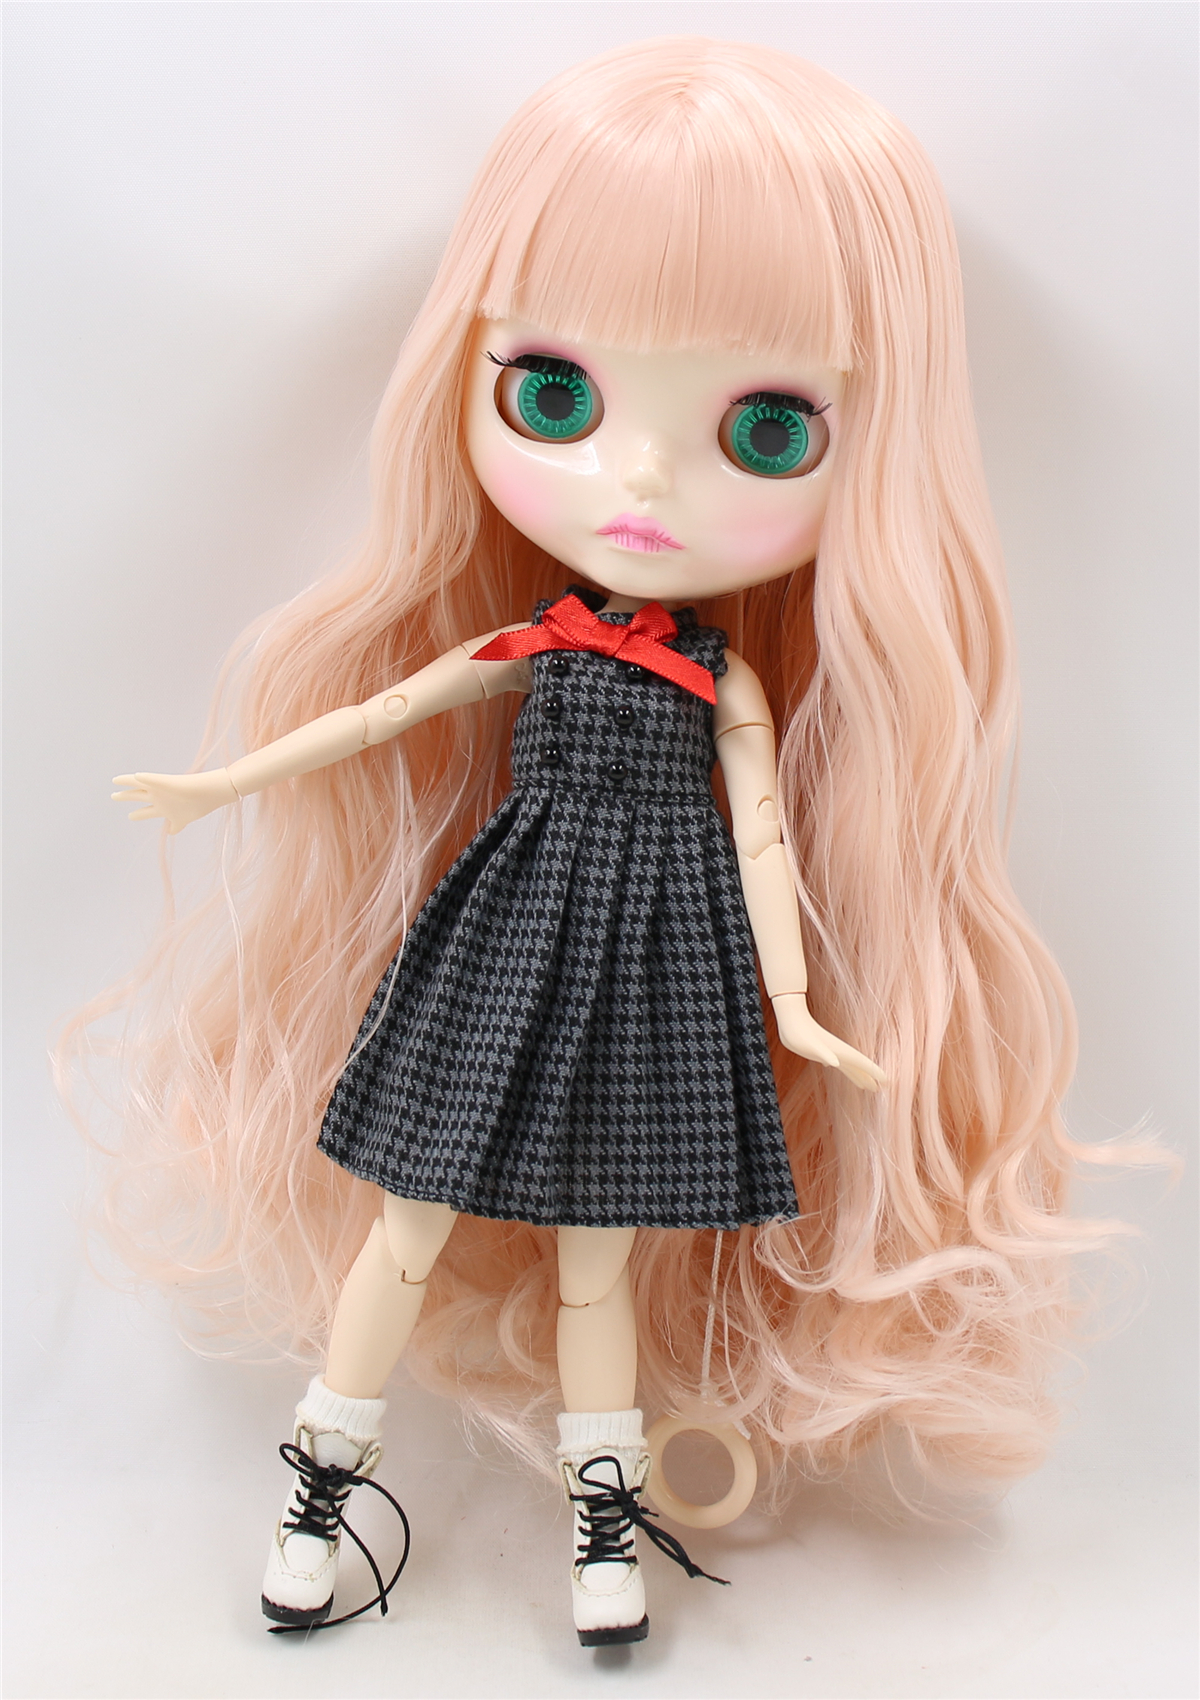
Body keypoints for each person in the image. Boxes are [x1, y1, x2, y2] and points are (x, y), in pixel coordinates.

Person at [81, 37, 1096, 1647]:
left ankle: (601, 1533)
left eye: (767, 428)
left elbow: (764, 842)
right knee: (407, 1222)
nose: (637, 479)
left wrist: (797, 1001)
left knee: (598, 1261)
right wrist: (225, 784)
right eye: (555, 394)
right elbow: (386, 708)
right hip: (507, 936)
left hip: (658, 971)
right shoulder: (538, 641)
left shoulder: (723, 680)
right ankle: (319, 1491)